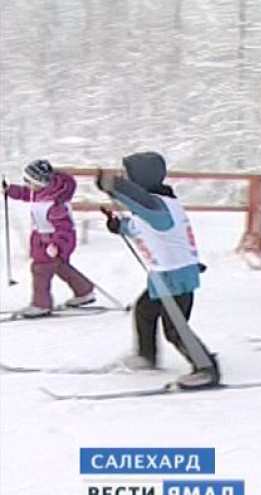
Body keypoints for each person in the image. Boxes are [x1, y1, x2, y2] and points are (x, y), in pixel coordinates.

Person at [96, 151, 219, 389]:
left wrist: (114, 186)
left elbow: (146, 209)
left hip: (176, 274)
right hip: (163, 275)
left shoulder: (158, 206)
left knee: (175, 329)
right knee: (144, 311)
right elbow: (140, 227)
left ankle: (207, 369)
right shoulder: (156, 206)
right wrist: (119, 225)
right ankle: (146, 356)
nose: (126, 178)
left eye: (128, 175)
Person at [2, 159, 95, 317]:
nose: (26, 184)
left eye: (28, 181)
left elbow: (64, 229)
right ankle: (84, 291)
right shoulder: (40, 191)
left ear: (39, 182)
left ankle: (41, 304)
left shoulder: (55, 204)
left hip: (56, 241)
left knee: (40, 270)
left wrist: (57, 245)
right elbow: (25, 193)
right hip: (43, 239)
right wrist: (9, 190)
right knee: (60, 266)